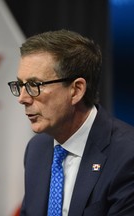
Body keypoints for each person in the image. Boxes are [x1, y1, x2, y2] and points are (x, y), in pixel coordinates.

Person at [7, 29, 134, 216]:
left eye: (34, 85)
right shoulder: (36, 150)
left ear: (76, 90)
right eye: (20, 85)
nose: (23, 98)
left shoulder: (127, 156)